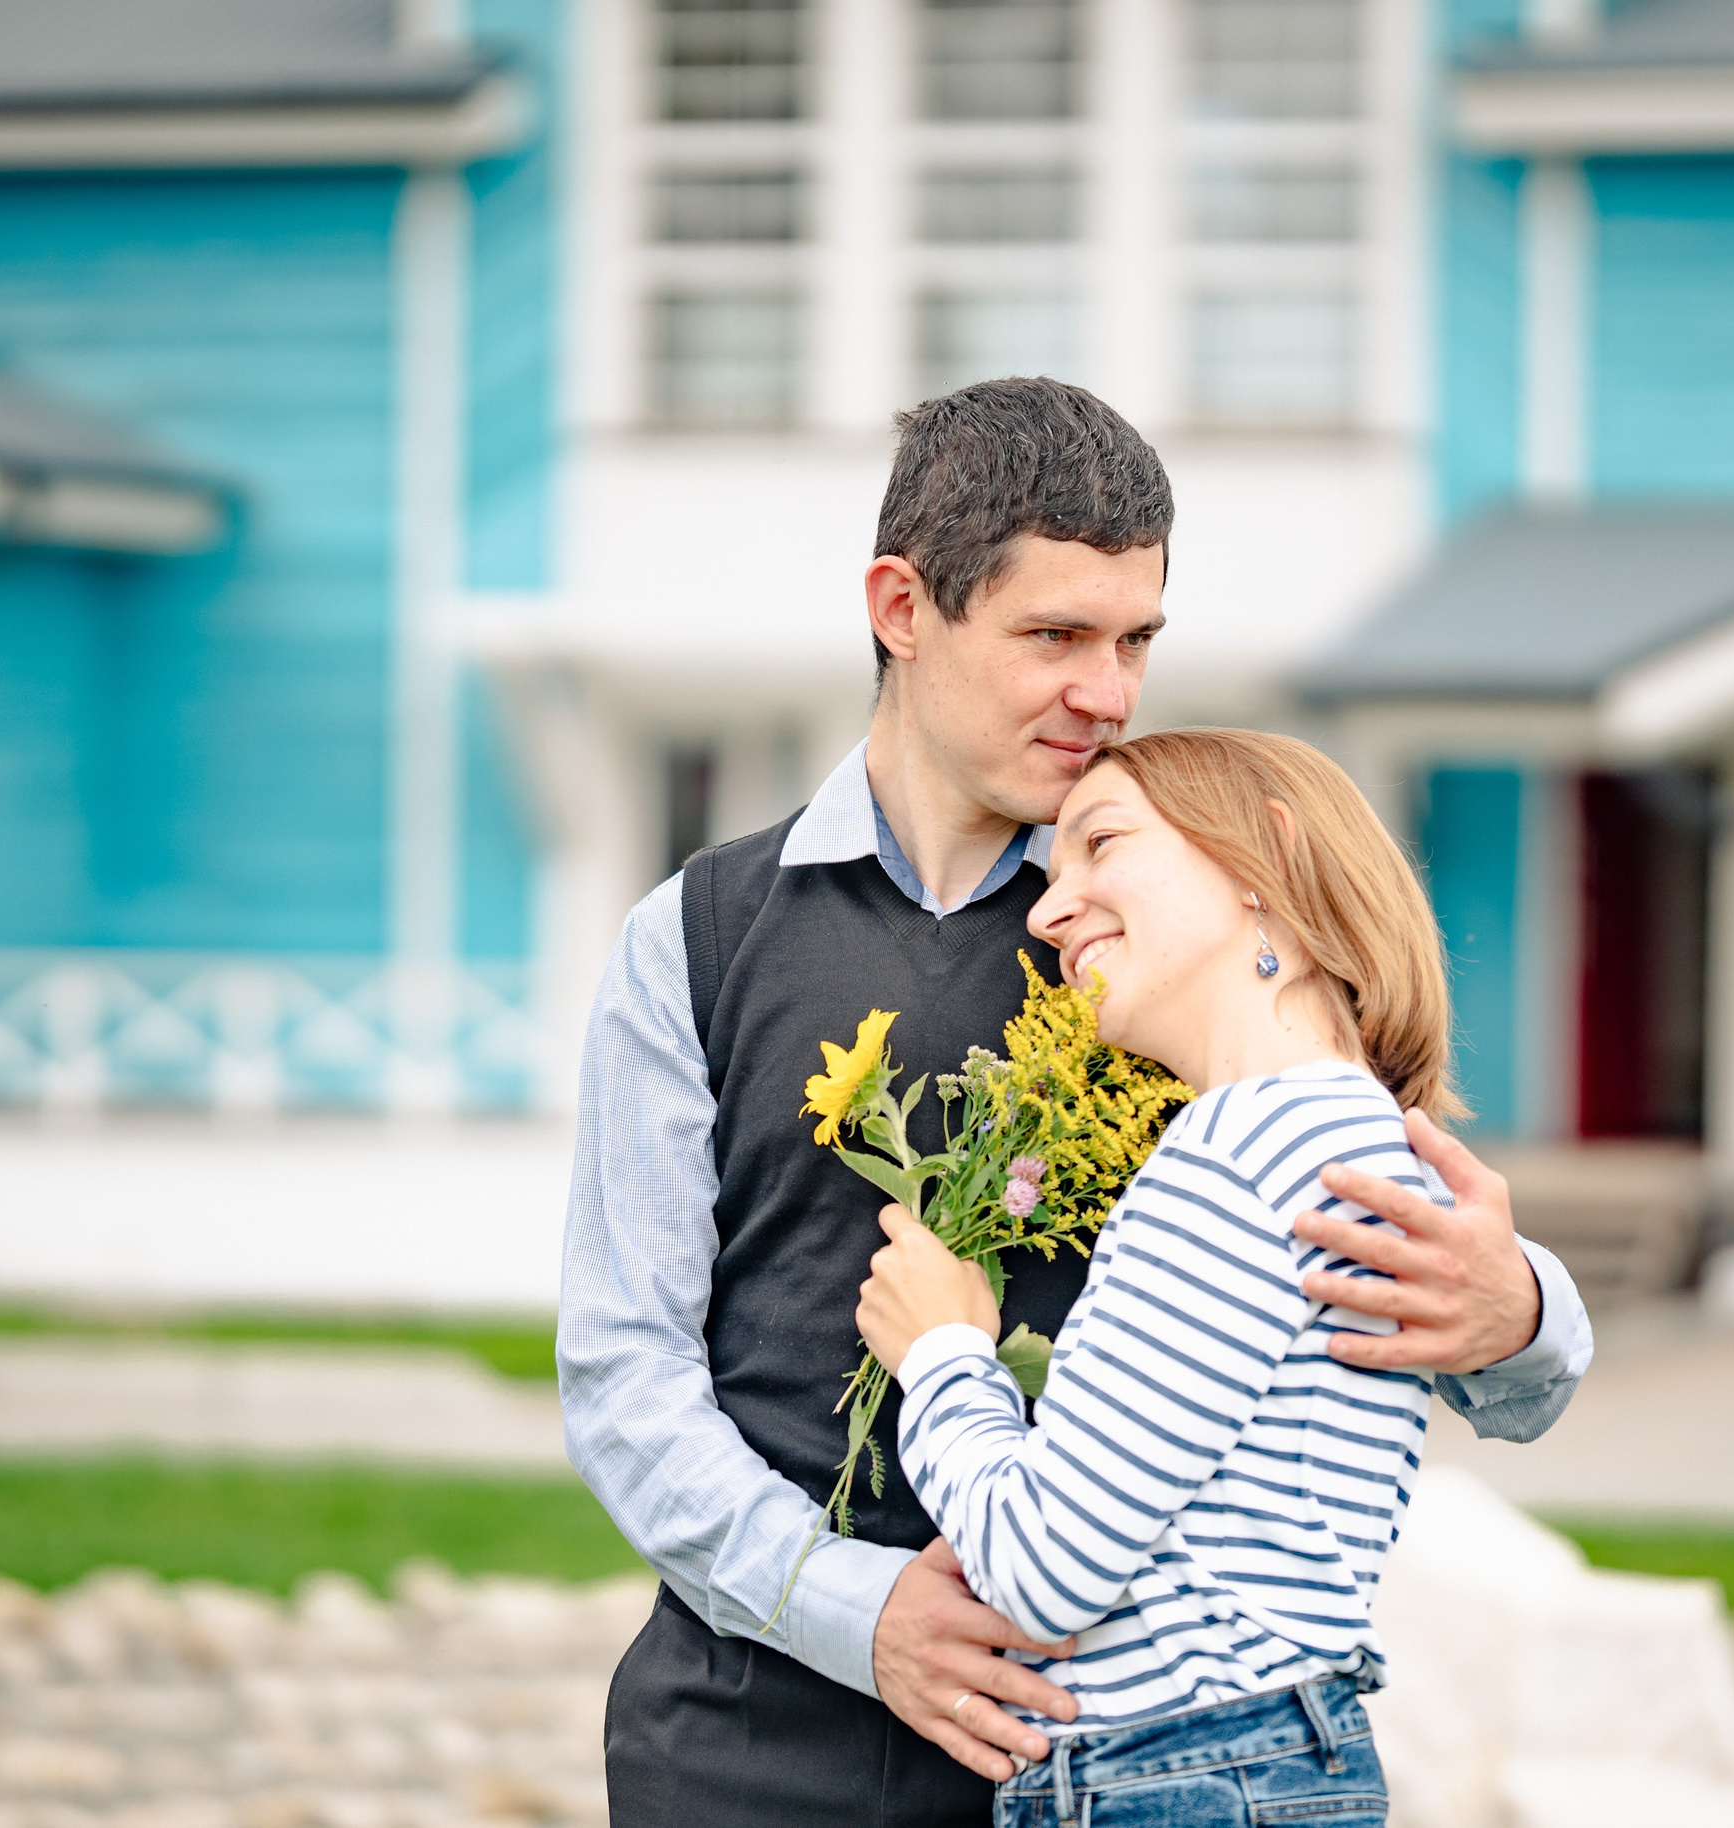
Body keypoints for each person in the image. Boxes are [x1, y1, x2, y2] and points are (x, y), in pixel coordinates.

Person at [558, 378, 1592, 1828]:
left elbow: (1375, 1211)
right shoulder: (698, 935)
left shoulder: (1167, 935)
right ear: (903, 607)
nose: (1106, 692)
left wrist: (1524, 1313)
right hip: (745, 1742)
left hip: (1107, 1754)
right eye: (1055, 636)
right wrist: (860, 1615)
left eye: (1136, 641)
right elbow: (624, 1373)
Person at [855, 727, 1485, 1825]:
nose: (1050, 912)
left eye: (1101, 842)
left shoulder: (1237, 1152)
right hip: (1257, 1757)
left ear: (1264, 863)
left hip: (1177, 1775)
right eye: (1052, 878)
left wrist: (942, 1349)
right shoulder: (1349, 1136)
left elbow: (1044, 1567)